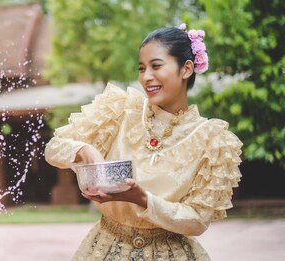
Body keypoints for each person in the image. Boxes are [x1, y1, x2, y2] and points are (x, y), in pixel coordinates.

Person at [45, 24, 242, 260]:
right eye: (141, 68)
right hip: (105, 250)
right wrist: (85, 151)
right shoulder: (121, 110)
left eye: (156, 66)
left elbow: (198, 220)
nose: (146, 77)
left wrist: (143, 200)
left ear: (186, 69)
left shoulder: (213, 139)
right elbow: (53, 148)